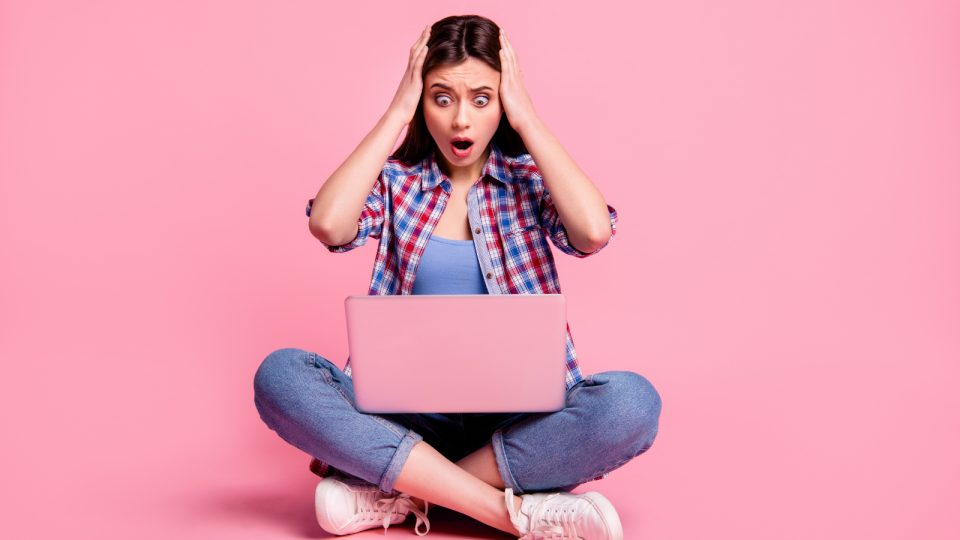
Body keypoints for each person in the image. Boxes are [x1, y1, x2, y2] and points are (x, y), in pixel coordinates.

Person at [253, 14, 661, 540]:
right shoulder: (398, 183)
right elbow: (329, 223)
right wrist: (397, 109)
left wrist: (529, 119)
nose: (460, 120)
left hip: (514, 424)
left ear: (504, 103)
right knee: (280, 375)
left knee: (631, 404)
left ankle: (403, 493)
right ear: (422, 103)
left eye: (482, 99)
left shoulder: (529, 181)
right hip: (407, 420)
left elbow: (592, 232)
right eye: (441, 98)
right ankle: (512, 512)